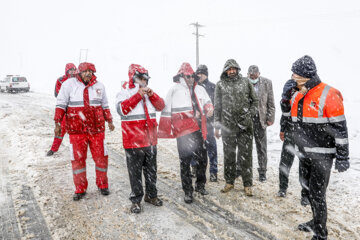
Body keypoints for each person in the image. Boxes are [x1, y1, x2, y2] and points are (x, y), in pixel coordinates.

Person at [288, 55, 349, 240]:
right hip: (304, 153)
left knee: (317, 194)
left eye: (295, 73)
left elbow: (340, 129)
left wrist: (343, 157)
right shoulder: (299, 94)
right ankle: (315, 221)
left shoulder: (329, 93)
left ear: (305, 75)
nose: (292, 76)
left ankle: (321, 233)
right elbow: (295, 122)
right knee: (307, 190)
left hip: (322, 155)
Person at [54, 62, 115, 201]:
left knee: (101, 159)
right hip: (77, 131)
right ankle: (80, 188)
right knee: (77, 161)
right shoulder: (69, 85)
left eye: (91, 71)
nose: (88, 73)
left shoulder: (100, 86)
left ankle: (103, 185)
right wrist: (57, 123)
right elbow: (61, 104)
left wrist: (109, 120)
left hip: (97, 130)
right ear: (79, 72)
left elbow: (105, 105)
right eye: (85, 71)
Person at [158, 62, 214, 204]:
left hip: (198, 130)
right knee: (185, 162)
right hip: (182, 133)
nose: (190, 79)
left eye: (192, 76)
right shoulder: (174, 90)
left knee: (202, 159)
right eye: (187, 76)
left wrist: (209, 107)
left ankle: (200, 185)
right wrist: (166, 128)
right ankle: (188, 191)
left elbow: (207, 101)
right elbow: (166, 110)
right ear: (181, 76)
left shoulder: (200, 89)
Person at [115, 64, 165, 214]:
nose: (143, 81)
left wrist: (152, 95)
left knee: (151, 171)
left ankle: (151, 195)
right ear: (133, 78)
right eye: (140, 78)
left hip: (150, 140)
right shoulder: (124, 92)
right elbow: (121, 110)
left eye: (145, 79)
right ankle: (136, 200)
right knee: (135, 173)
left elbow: (161, 106)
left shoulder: (149, 94)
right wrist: (138, 95)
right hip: (133, 141)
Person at [214, 59, 258, 196]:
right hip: (228, 127)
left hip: (245, 126)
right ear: (225, 71)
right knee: (229, 156)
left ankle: (247, 184)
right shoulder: (220, 85)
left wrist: (249, 114)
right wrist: (217, 125)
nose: (232, 71)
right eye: (229, 69)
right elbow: (217, 107)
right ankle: (229, 182)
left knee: (246, 156)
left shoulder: (245, 82)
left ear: (237, 69)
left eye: (234, 69)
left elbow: (255, 101)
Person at [247, 65, 275, 182]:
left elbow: (271, 102)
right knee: (245, 148)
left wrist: (270, 118)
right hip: (247, 120)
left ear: (259, 73)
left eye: (254, 75)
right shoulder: (243, 83)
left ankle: (262, 171)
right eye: (250, 75)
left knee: (262, 148)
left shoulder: (267, 83)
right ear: (247, 74)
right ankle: (243, 170)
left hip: (261, 120)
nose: (252, 77)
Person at [46, 63, 77, 156]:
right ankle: (53, 149)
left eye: (73, 70)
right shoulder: (61, 80)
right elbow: (57, 94)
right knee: (60, 130)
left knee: (77, 131)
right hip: (64, 110)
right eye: (70, 70)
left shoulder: (78, 80)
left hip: (75, 110)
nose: (72, 72)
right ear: (66, 71)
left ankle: (78, 151)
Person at [194, 64, 218, 182]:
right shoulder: (194, 87)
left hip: (209, 123)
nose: (199, 76)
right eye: (197, 73)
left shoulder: (213, 87)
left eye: (201, 73)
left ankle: (213, 171)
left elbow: (217, 104)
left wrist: (212, 112)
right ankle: (195, 167)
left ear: (205, 74)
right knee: (195, 146)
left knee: (211, 147)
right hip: (196, 123)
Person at [277, 79, 297, 198]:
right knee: (285, 161)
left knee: (305, 165)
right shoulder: (290, 89)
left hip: (306, 134)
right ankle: (282, 188)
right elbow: (285, 113)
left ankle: (305, 194)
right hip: (290, 131)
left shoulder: (310, 91)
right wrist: (282, 129)